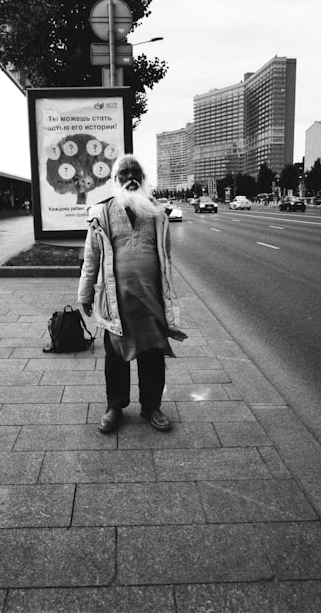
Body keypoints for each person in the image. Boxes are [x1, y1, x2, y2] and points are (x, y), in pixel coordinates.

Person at [77, 154, 187, 434]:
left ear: (144, 179)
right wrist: (85, 294)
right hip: (116, 303)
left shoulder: (157, 213)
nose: (130, 179)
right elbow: (91, 258)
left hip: (150, 300)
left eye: (135, 173)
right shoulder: (101, 214)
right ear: (115, 181)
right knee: (115, 358)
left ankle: (151, 406)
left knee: (152, 357)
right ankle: (115, 407)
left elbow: (165, 259)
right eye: (124, 175)